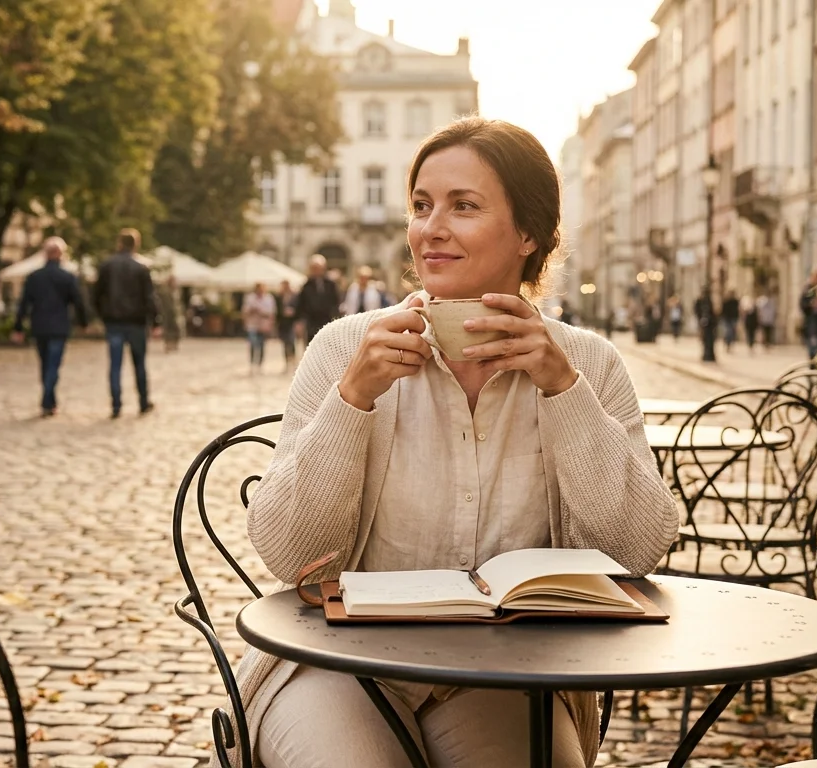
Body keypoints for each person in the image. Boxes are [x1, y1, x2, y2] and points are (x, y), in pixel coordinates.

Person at [231, 117, 679, 768]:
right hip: (338, 662)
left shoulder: (588, 363)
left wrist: (562, 387)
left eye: (463, 206)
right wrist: (352, 398)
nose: (430, 228)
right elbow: (290, 555)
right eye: (421, 206)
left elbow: (637, 549)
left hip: (508, 672)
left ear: (529, 232)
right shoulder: (343, 348)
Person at [12, 236, 87, 417]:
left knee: (45, 364)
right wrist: (83, 322)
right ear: (61, 254)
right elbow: (78, 302)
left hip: (40, 326)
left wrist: (18, 327)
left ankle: (48, 401)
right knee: (53, 365)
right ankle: (48, 400)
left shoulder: (34, 277)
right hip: (59, 327)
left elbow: (23, 304)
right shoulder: (67, 277)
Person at [94, 228, 158, 418]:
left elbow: (97, 295)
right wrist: (156, 320)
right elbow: (150, 297)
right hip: (136, 322)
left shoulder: (107, 265)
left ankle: (116, 404)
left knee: (115, 365)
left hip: (114, 322)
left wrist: (103, 315)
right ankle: (143, 402)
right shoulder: (141, 267)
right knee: (139, 364)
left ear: (119, 243)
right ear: (135, 244)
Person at [295, 254, 341, 342]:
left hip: (327, 321)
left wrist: (335, 318)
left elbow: (335, 302)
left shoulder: (330, 284)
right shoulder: (307, 286)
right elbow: (301, 305)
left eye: (318, 268)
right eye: (313, 268)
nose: (316, 271)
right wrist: (300, 322)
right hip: (311, 322)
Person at [241, 282, 276, 375]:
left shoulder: (268, 298)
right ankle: (252, 364)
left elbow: (271, 313)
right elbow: (245, 311)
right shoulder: (250, 298)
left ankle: (260, 364)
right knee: (252, 344)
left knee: (261, 345)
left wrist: (262, 313)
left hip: (263, 325)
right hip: (252, 325)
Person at [275, 279, 299, 372]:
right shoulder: (279, 297)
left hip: (291, 322)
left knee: (292, 341)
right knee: (285, 343)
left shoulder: (294, 296)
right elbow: (277, 310)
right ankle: (287, 362)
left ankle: (293, 360)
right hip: (283, 323)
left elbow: (298, 308)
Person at [156, 274, 182, 353]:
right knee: (169, 329)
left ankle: (172, 345)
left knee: (173, 329)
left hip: (172, 313)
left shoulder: (173, 291)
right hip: (167, 313)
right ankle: (169, 345)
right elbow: (167, 305)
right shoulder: (165, 291)